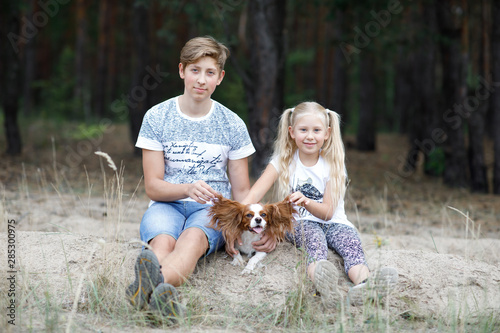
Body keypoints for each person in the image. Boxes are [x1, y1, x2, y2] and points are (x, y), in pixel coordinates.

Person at [126, 36, 274, 318]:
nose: (201, 80)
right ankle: (158, 296)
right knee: (162, 243)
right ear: (182, 70)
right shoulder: (157, 117)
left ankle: (147, 291)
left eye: (210, 73)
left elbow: (242, 193)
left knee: (192, 242)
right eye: (195, 70)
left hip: (211, 211)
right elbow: (153, 187)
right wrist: (187, 188)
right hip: (165, 205)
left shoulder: (232, 124)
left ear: (220, 77)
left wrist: (259, 227)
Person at [239, 101, 398, 305]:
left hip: (334, 221)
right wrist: (237, 216)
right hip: (301, 223)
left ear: (327, 133)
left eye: (316, 130)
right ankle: (326, 287)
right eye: (303, 129)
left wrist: (305, 201)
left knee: (352, 246)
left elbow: (328, 213)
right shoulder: (282, 161)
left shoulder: (333, 165)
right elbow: (253, 195)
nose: (310, 136)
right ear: (292, 132)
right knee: (315, 244)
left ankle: (365, 285)